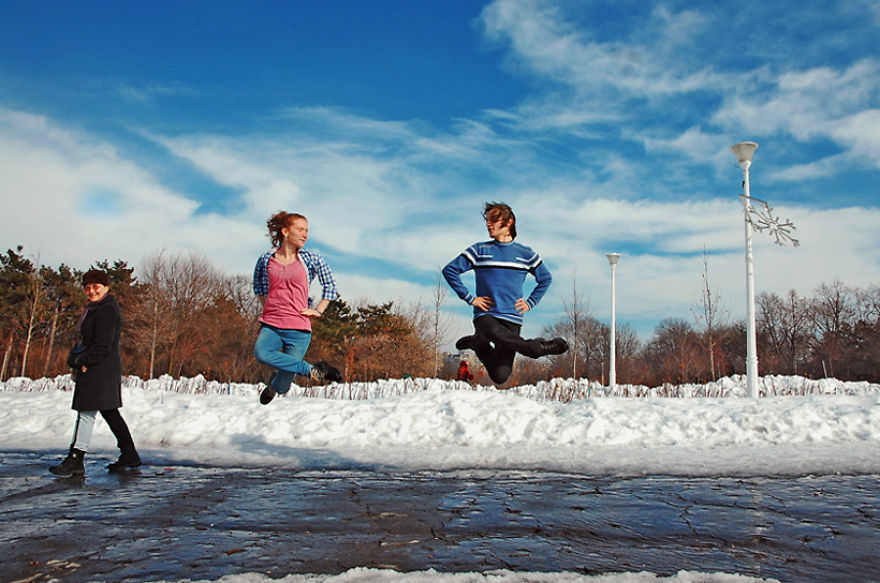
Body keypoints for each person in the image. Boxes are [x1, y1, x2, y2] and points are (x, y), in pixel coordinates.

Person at [442, 202, 568, 385]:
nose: (488, 224)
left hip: (512, 318)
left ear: (509, 222)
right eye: (487, 220)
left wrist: (530, 302)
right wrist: (470, 298)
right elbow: (450, 270)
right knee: (492, 330)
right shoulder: (479, 250)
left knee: (500, 375)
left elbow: (545, 278)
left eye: (493, 219)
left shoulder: (526, 254)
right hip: (486, 316)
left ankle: (478, 344)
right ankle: (537, 349)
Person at [50, 269, 141, 476]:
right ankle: (129, 453)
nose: (91, 291)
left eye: (96, 287)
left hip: (99, 369)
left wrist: (82, 361)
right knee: (109, 411)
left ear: (106, 287)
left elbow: (102, 344)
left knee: (86, 412)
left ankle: (76, 458)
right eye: (88, 287)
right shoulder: (97, 308)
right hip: (101, 368)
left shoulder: (106, 310)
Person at [254, 211, 343, 405]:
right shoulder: (266, 259)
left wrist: (318, 310)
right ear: (285, 231)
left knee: (283, 385)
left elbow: (330, 285)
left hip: (298, 327)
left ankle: (274, 386)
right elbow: (259, 288)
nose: (305, 235)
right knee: (261, 352)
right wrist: (268, 309)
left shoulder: (311, 259)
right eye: (300, 230)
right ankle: (314, 370)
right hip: (272, 324)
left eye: (307, 231)